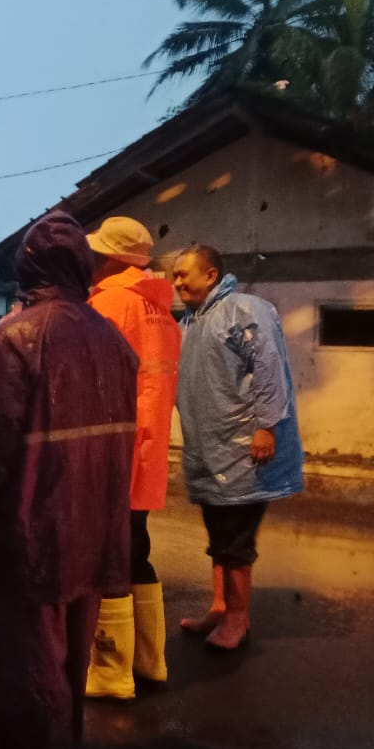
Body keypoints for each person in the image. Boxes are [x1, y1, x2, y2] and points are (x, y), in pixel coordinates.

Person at [0, 211, 137, 749]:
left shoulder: (15, 337)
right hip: (91, 533)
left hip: (28, 540)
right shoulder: (113, 341)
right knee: (65, 676)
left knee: (27, 678)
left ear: (28, 268)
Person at [171, 244, 304, 651]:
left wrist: (267, 427)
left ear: (210, 275)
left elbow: (269, 367)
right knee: (219, 532)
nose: (176, 283)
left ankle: (237, 618)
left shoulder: (244, 309)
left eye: (183, 274)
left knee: (235, 538)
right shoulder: (194, 319)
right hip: (211, 448)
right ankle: (219, 606)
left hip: (245, 447)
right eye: (174, 276)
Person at [83, 216, 181, 700]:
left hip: (112, 447)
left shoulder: (108, 304)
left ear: (110, 259)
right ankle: (150, 660)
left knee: (110, 554)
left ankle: (110, 671)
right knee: (136, 548)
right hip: (148, 446)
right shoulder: (159, 308)